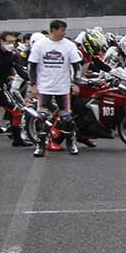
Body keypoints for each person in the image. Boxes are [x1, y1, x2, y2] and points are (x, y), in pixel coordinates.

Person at [26, 19, 83, 157]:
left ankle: (70, 143)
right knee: (41, 117)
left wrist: (76, 83)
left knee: (67, 118)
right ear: (54, 30)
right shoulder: (40, 45)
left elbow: (77, 66)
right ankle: (40, 145)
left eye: (64, 30)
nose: (64, 33)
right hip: (45, 88)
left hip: (63, 88)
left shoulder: (69, 45)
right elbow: (32, 66)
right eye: (62, 30)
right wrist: (33, 84)